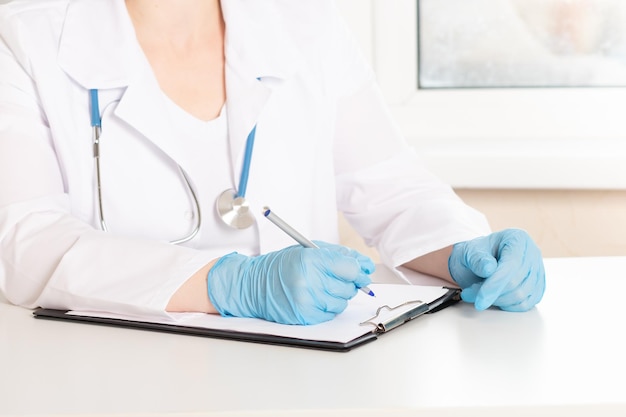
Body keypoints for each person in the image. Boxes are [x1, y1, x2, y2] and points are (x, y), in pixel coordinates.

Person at [0, 0, 545, 326]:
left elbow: (391, 188)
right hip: (111, 381)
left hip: (301, 378)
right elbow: (27, 242)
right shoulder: (24, 36)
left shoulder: (303, 24)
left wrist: (463, 252)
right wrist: (229, 284)